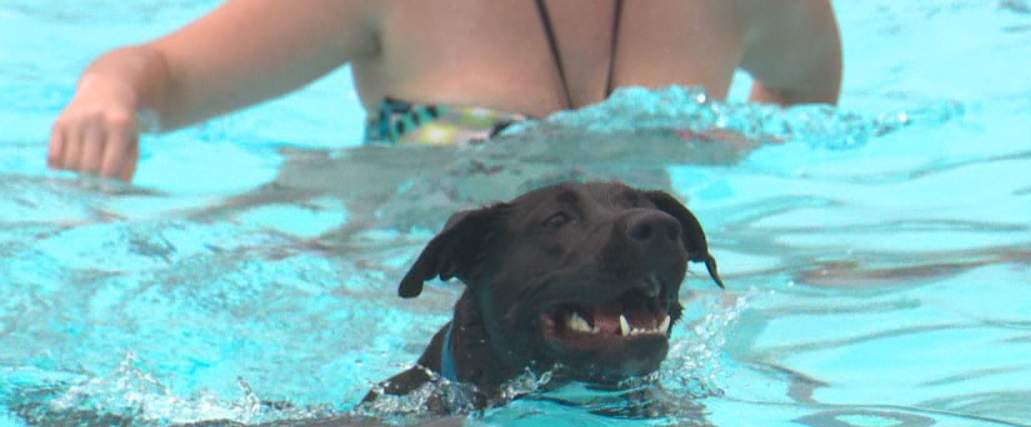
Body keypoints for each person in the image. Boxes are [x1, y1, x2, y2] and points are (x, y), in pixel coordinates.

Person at [47, 0, 843, 182]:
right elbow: (163, 74)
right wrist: (104, 97)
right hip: (400, 307)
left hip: (629, 326)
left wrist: (737, 157)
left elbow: (805, 93)